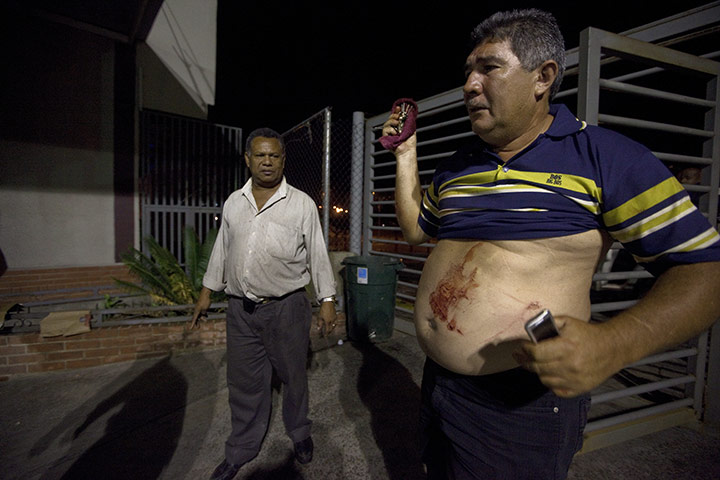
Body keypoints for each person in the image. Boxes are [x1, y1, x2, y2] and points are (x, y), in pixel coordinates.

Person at [383, 9, 720, 480]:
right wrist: (406, 154)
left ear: (543, 77)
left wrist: (616, 342)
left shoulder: (606, 157)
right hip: (439, 383)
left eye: (489, 68)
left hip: (522, 405)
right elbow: (418, 228)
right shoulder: (457, 166)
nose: (469, 84)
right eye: (467, 71)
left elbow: (705, 271)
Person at [190, 127, 337, 480]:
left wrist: (327, 299)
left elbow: (317, 252)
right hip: (241, 311)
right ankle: (241, 448)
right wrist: (207, 292)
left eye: (274, 156)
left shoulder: (300, 203)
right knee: (244, 384)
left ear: (283, 159)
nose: (267, 162)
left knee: (293, 377)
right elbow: (222, 251)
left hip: (286, 308)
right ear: (248, 159)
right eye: (260, 155)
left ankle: (299, 433)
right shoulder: (233, 203)